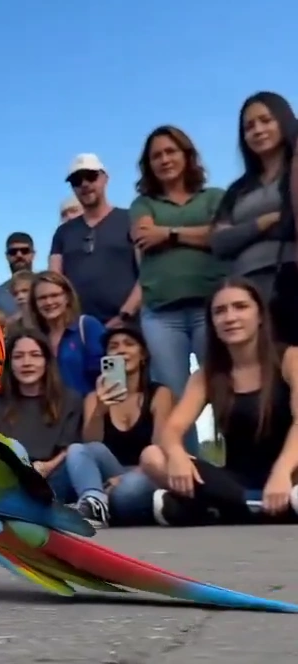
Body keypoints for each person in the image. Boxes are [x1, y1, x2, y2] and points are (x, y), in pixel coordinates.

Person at [140, 278, 298, 525]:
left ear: (259, 316)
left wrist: (282, 472)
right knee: (152, 457)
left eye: (240, 307)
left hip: (291, 473)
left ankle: (208, 509)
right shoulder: (207, 375)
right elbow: (172, 429)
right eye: (220, 311)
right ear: (212, 322)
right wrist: (177, 454)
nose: (230, 317)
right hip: (235, 483)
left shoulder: (290, 359)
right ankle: (253, 509)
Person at [130, 126, 225, 454]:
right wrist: (196, 234)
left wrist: (167, 233)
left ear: (187, 155)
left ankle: (240, 470)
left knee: (223, 388)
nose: (164, 159)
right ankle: (189, 470)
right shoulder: (143, 203)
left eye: (171, 151)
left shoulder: (214, 197)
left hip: (211, 309)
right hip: (161, 314)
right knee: (175, 396)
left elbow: (222, 236)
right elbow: (143, 235)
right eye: (156, 155)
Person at [64, 322, 173, 527]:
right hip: (109, 475)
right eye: (113, 346)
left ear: (142, 356)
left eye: (128, 344)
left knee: (129, 490)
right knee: (76, 449)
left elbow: (160, 450)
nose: (121, 349)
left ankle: (101, 505)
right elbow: (91, 445)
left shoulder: (159, 394)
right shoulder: (93, 398)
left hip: (143, 474)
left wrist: (123, 480)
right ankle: (95, 502)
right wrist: (100, 409)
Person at [211, 92, 297, 302]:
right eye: (249, 126)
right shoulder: (238, 189)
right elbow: (219, 242)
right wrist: (263, 222)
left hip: (289, 276)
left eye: (266, 121)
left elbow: (289, 223)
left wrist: (241, 233)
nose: (258, 130)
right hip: (246, 288)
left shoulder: (293, 175)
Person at [0, 328, 83, 494]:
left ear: (46, 361)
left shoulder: (70, 400)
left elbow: (69, 449)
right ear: (10, 364)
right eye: (18, 356)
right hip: (9, 480)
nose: (26, 362)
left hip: (55, 478)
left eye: (35, 355)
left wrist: (46, 467)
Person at [49, 153, 141, 326]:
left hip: (128, 327)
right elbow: (54, 281)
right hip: (79, 330)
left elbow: (147, 273)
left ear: (105, 178)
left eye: (91, 177)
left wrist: (126, 314)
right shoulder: (63, 233)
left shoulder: (131, 220)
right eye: (77, 180)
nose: (84, 184)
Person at [26, 271, 104, 395]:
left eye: (55, 295)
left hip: (87, 410)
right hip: (48, 411)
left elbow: (104, 375)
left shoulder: (87, 326)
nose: (49, 302)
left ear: (67, 297)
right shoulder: (34, 336)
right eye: (42, 298)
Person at [0, 233, 36, 316]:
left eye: (24, 251)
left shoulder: (47, 288)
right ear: (7, 256)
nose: (19, 255)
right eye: (13, 252)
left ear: (33, 254)